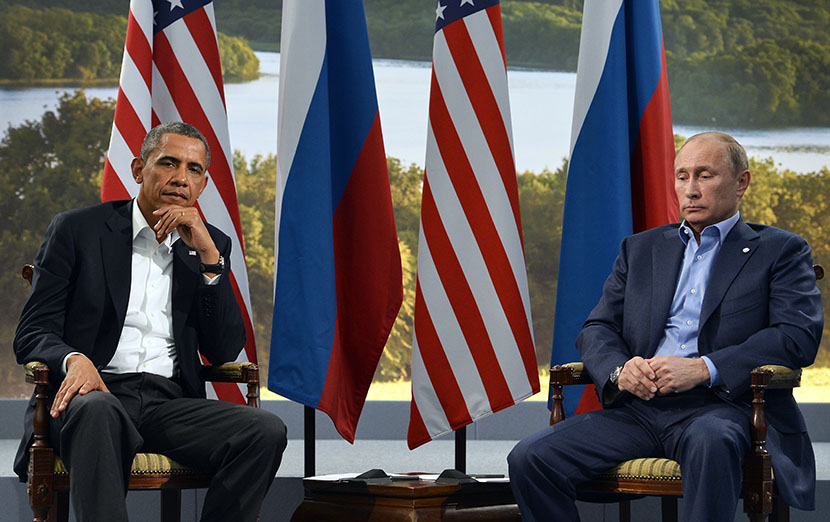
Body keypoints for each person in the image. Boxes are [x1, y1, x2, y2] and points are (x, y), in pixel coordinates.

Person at [508, 132, 823, 521]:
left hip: (723, 408)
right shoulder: (640, 249)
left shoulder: (780, 250)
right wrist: (621, 370)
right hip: (639, 409)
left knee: (712, 441)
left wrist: (704, 368)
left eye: (704, 176)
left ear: (741, 182)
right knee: (531, 457)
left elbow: (797, 336)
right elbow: (597, 328)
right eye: (681, 176)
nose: (689, 190)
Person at [13, 122, 287, 522]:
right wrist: (74, 359)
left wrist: (211, 261)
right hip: (93, 396)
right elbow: (32, 333)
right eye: (169, 163)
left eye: (193, 170)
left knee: (264, 431)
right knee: (99, 410)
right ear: (139, 169)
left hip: (169, 403)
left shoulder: (209, 244)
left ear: (204, 183)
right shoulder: (78, 230)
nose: (181, 178)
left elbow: (224, 348)